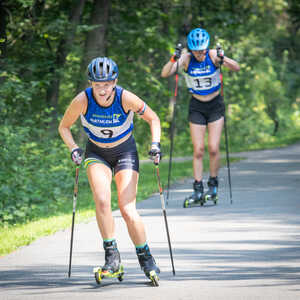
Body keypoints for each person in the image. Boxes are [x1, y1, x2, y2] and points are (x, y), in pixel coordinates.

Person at [59, 57, 161, 279]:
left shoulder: (125, 98)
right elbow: (64, 127)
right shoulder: (82, 100)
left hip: (125, 152)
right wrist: (74, 148)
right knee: (102, 200)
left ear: (114, 82)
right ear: (91, 84)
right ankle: (112, 257)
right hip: (97, 153)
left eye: (106, 84)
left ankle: (146, 258)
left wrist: (155, 144)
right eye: (97, 85)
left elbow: (153, 119)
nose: (102, 90)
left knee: (127, 208)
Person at [161, 28, 240, 205]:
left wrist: (223, 57)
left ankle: (213, 186)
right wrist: (174, 58)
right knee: (198, 150)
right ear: (191, 49)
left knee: (213, 147)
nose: (200, 53)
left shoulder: (212, 55)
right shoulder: (186, 58)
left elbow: (236, 67)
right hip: (196, 106)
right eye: (196, 50)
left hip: (215, 105)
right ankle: (197, 189)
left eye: (202, 49)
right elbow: (165, 72)